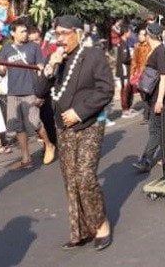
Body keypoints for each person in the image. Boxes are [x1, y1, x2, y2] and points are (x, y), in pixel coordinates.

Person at [38, 15, 114, 250]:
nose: (59, 39)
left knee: (85, 177)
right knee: (71, 180)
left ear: (78, 33)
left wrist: (79, 112)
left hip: (88, 124)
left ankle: (101, 225)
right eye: (56, 34)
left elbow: (106, 90)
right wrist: (50, 66)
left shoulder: (93, 55)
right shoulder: (57, 60)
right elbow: (39, 91)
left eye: (64, 33)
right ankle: (80, 230)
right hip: (63, 129)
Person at [0, 20, 52, 169]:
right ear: (13, 33)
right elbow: (2, 72)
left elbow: (40, 65)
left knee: (34, 122)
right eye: (21, 31)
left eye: (26, 31)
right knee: (18, 126)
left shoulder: (33, 47)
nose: (25, 34)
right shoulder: (6, 49)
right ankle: (26, 159)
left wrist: (41, 69)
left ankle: (49, 145)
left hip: (30, 91)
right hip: (13, 92)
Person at [132, 22, 165, 173]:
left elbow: (164, 77)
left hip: (159, 97)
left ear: (149, 35)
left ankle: (146, 160)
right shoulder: (156, 50)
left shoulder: (161, 51)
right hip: (153, 96)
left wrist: (160, 100)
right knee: (161, 128)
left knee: (154, 129)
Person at [130, 27, 152, 123]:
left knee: (148, 95)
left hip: (148, 74)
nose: (140, 36)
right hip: (139, 74)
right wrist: (132, 72)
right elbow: (134, 61)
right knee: (143, 96)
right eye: (139, 34)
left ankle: (147, 116)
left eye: (142, 34)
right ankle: (148, 113)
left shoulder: (150, 47)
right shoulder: (137, 46)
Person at [116, 24, 137, 118]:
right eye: (129, 31)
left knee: (129, 89)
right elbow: (124, 59)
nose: (130, 33)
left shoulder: (124, 42)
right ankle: (125, 109)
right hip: (124, 71)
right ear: (125, 33)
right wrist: (132, 58)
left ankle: (128, 107)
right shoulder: (123, 43)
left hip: (127, 70)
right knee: (125, 89)